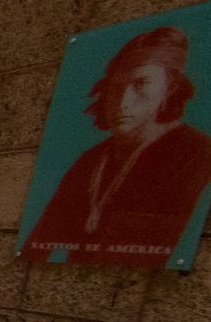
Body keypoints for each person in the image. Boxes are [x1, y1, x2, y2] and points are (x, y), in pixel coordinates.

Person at [21, 25, 211, 268]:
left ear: (169, 88)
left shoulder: (197, 152)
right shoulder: (91, 160)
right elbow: (39, 244)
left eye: (141, 84)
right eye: (116, 87)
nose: (123, 101)